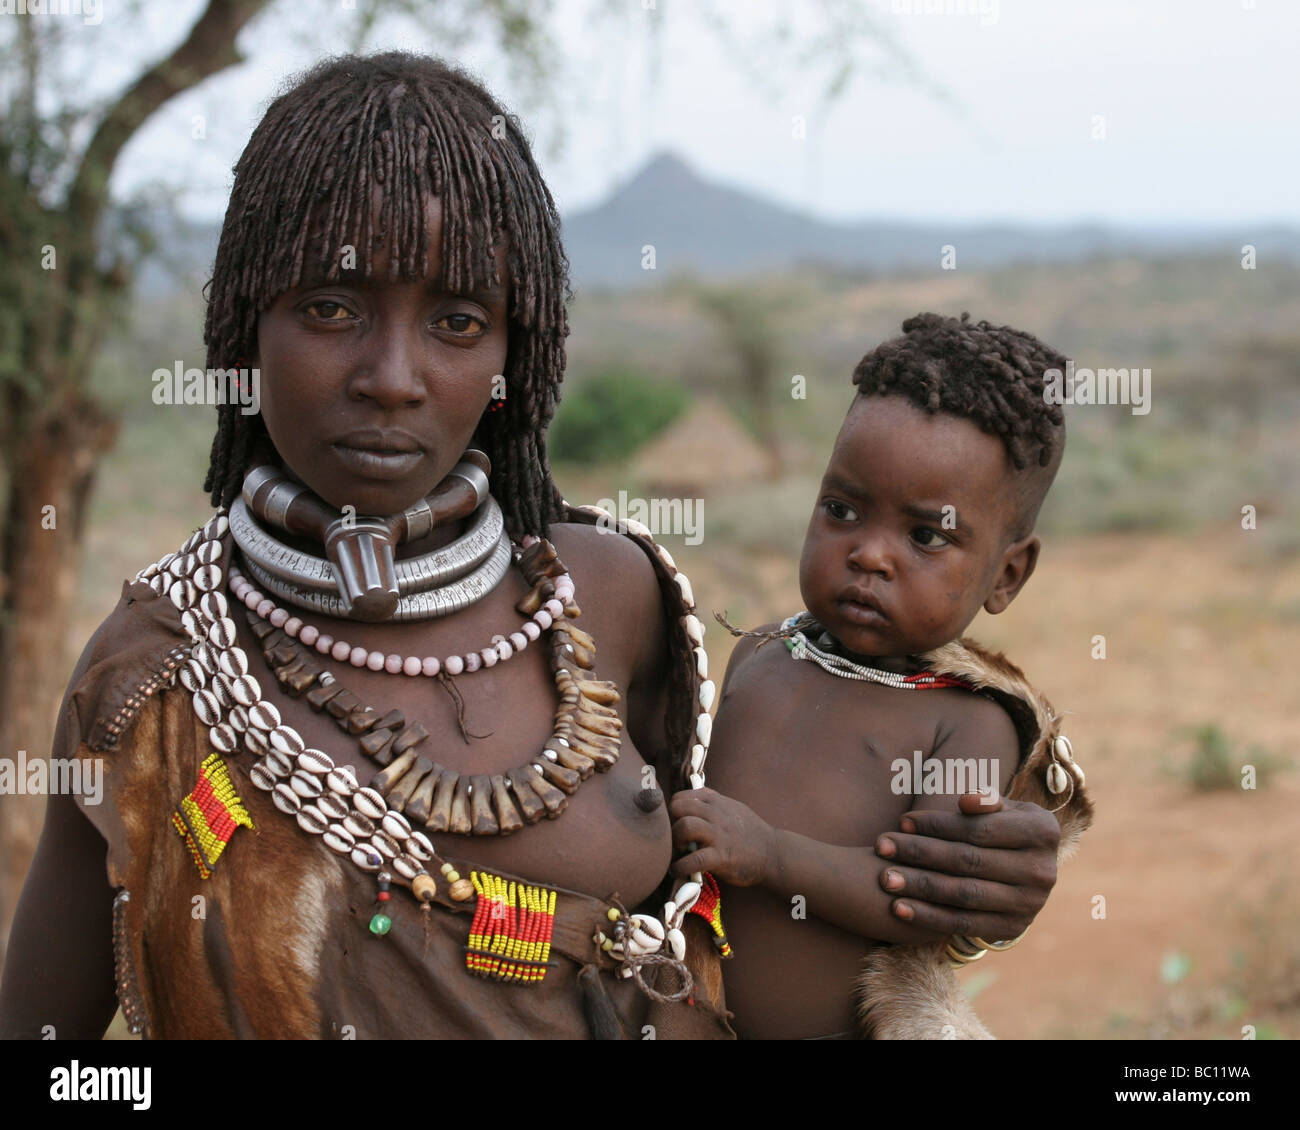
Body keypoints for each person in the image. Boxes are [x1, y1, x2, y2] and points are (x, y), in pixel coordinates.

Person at [0, 58, 1064, 1040]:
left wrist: (974, 882)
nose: (393, 375)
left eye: (458, 321)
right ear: (243, 328)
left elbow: (759, 863)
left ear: (520, 351)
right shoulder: (151, 680)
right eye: (329, 306)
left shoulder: (609, 592)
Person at [671, 313, 1094, 1039]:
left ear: (1007, 574)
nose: (869, 555)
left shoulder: (967, 721)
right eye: (842, 510)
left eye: (926, 535)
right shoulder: (762, 652)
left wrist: (769, 855)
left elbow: (919, 897)